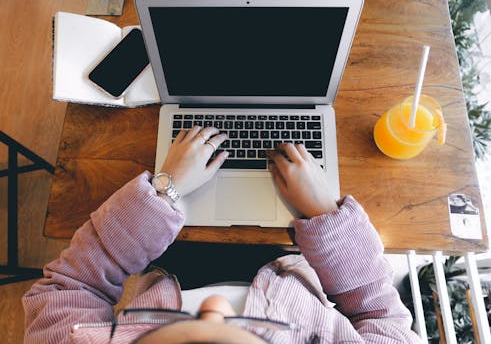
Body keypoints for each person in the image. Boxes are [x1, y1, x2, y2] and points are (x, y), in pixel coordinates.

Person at [23, 126, 422, 343]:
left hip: (169, 257)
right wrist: (324, 216)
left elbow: (72, 287)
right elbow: (378, 311)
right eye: (252, 333)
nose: (214, 304)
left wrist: (165, 190)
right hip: (305, 262)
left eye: (168, 333)